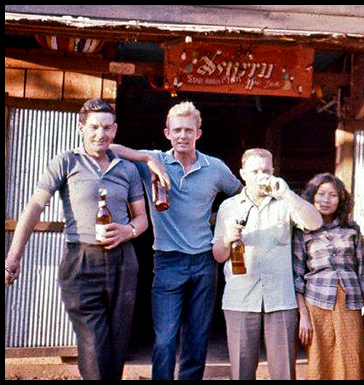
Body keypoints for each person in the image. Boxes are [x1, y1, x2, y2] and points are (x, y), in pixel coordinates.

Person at [4, 99, 148, 380]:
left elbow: (142, 218)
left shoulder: (127, 169)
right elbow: (34, 207)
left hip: (123, 261)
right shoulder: (66, 161)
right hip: (81, 260)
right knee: (93, 343)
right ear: (81, 127)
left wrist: (127, 230)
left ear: (115, 130)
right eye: (94, 127)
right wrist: (13, 257)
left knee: (117, 343)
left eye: (107, 128)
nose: (100, 134)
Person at [110, 101, 242, 380]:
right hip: (168, 261)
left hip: (205, 262)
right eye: (177, 130)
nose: (183, 135)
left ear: (199, 133)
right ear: (167, 132)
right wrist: (147, 160)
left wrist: (220, 221)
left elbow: (241, 196)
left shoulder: (215, 167)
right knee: (165, 338)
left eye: (189, 130)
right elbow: (111, 148)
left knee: (197, 337)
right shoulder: (155, 160)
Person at [212, 148, 323, 380]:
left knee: (284, 372)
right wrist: (227, 239)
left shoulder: (285, 203)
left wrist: (287, 193)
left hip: (281, 298)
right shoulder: (229, 206)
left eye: (265, 170)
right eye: (254, 171)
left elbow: (315, 223)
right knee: (242, 371)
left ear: (273, 171)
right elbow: (218, 255)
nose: (261, 175)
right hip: (240, 298)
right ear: (243, 174)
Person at [293, 173, 364, 380]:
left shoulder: (351, 229)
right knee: (321, 359)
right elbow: (297, 275)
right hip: (316, 303)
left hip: (350, 303)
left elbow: (363, 270)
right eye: (321, 194)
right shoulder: (302, 230)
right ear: (312, 197)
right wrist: (303, 316)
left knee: (352, 359)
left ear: (340, 200)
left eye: (332, 195)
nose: (326, 200)